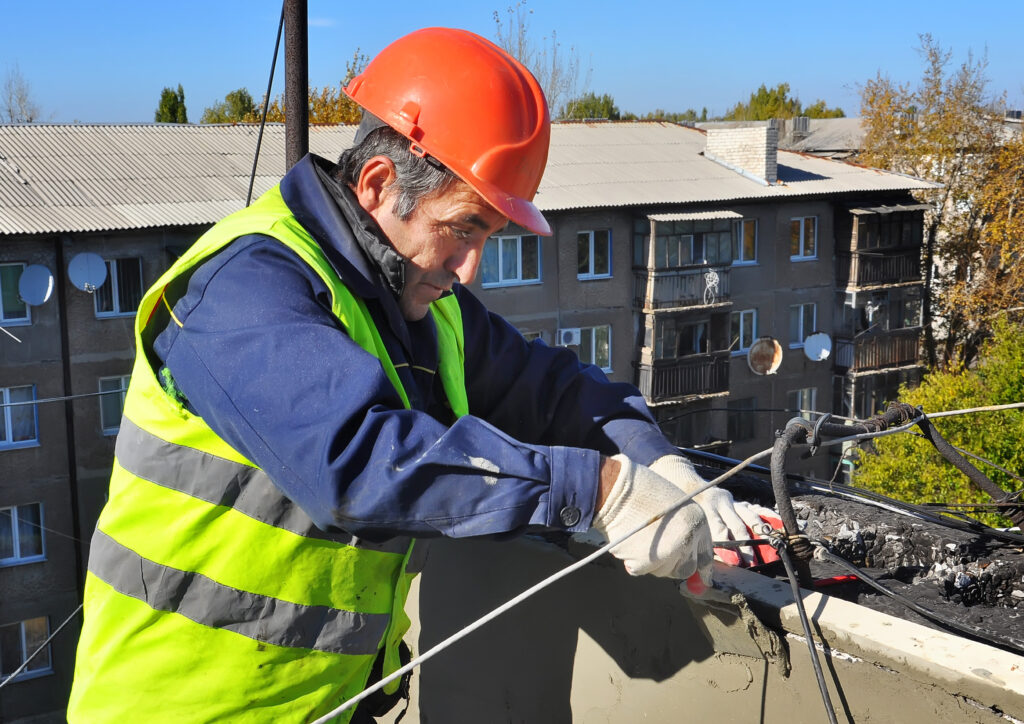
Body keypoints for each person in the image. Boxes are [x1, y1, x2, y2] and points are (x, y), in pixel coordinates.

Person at [68, 27, 768, 724]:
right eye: (463, 229)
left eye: (488, 238)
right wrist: (602, 492)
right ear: (377, 185)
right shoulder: (243, 289)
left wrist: (663, 466)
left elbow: (557, 390)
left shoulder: (428, 310)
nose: (470, 270)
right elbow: (359, 461)